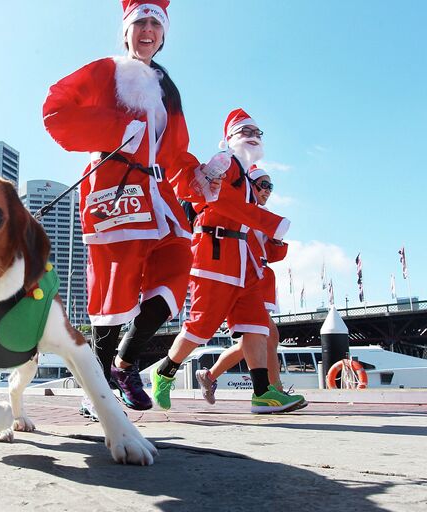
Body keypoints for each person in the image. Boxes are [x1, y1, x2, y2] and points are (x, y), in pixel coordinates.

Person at [42, 0, 220, 412]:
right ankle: (98, 389)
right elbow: (55, 109)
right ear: (125, 30)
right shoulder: (106, 70)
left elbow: (175, 155)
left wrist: (200, 178)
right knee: (114, 291)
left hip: (159, 199)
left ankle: (125, 362)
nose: (148, 30)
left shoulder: (166, 86)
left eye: (156, 24)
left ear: (163, 36)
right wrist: (117, 128)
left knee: (176, 273)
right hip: (116, 192)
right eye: (140, 21)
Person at [151, 109, 305, 414]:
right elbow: (213, 198)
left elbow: (239, 213)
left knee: (256, 326)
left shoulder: (246, 179)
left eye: (256, 132)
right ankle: (165, 371)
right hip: (215, 253)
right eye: (244, 130)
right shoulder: (228, 164)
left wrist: (268, 231)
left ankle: (262, 393)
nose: (251, 135)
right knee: (201, 326)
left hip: (243, 262)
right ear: (229, 138)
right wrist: (269, 221)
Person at [196, 169, 307, 408]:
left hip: (259, 277)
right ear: (249, 185)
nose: (267, 190)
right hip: (243, 277)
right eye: (262, 185)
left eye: (270, 186)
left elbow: (272, 254)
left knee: (256, 338)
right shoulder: (239, 210)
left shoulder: (259, 214)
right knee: (267, 335)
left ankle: (210, 376)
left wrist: (275, 240)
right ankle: (272, 389)